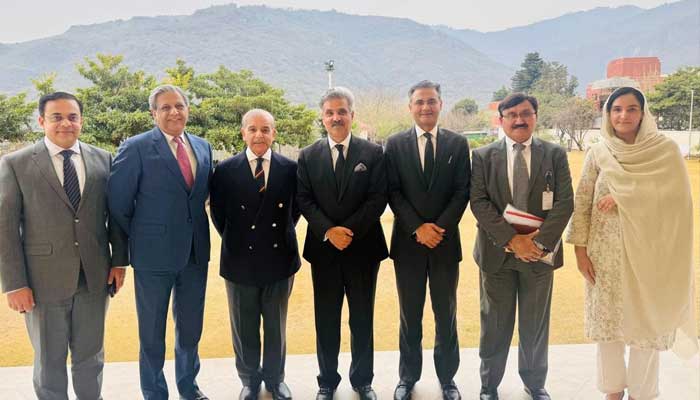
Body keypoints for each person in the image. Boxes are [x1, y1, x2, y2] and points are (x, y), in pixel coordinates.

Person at [566, 86, 697, 400]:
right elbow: (583, 201)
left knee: (647, 328)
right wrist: (581, 251)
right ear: (608, 115)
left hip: (652, 256)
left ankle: (642, 393)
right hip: (605, 257)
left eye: (631, 109)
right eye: (617, 109)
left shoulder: (664, 151)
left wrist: (625, 196)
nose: (623, 115)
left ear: (643, 113)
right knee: (607, 330)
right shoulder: (599, 151)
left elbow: (677, 202)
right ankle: (612, 392)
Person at [0, 91, 128, 399]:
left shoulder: (103, 159)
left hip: (94, 278)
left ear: (81, 120)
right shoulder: (15, 164)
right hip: (42, 281)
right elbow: (4, 228)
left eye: (72, 117)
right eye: (57, 117)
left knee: (91, 358)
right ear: (42, 121)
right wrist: (14, 284)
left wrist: (119, 261)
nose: (65, 123)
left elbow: (116, 215)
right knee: (49, 362)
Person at [108, 84, 213, 400]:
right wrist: (127, 251)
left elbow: (202, 197)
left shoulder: (202, 146)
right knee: (152, 332)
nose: (173, 112)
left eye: (179, 106)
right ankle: (155, 392)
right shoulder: (135, 148)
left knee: (191, 328)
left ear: (187, 110)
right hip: (153, 257)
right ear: (153, 113)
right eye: (165, 107)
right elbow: (118, 206)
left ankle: (188, 387)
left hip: (195, 253)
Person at [470, 93, 574, 400]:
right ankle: (489, 385)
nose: (519, 119)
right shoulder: (483, 156)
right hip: (497, 256)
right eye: (512, 114)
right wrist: (513, 241)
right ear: (501, 120)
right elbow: (479, 202)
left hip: (539, 258)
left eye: (526, 113)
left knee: (535, 324)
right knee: (494, 324)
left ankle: (534, 383)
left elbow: (564, 202)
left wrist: (538, 244)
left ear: (535, 116)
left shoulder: (554, 154)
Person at [296, 87, 388, 400]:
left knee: (362, 318)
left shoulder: (373, 153)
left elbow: (378, 198)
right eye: (330, 112)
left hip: (363, 249)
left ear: (352, 115)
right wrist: (328, 231)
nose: (336, 117)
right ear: (322, 118)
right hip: (324, 252)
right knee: (326, 318)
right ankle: (327, 382)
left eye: (342, 111)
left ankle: (363, 381)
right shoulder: (308, 156)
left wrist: (347, 230)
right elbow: (304, 200)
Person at [384, 80, 470, 400]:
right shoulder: (393, 145)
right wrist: (418, 228)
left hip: (446, 245)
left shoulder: (458, 144)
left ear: (440, 104)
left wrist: (438, 228)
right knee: (410, 313)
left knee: (445, 313)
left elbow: (462, 191)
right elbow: (392, 191)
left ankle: (448, 379)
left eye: (431, 101)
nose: (425, 107)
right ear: (410, 107)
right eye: (419, 102)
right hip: (408, 245)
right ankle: (407, 377)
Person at [210, 109, 300, 400]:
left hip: (279, 257)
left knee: (276, 326)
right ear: (243, 133)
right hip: (239, 259)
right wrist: (241, 240)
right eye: (253, 129)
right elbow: (219, 215)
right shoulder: (224, 171)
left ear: (274, 133)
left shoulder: (290, 169)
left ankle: (275, 380)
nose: (259, 135)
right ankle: (249, 380)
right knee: (244, 326)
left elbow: (294, 212)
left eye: (265, 129)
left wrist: (273, 236)